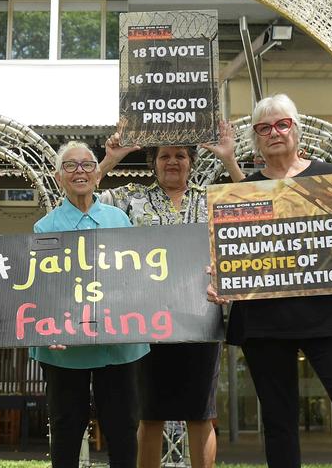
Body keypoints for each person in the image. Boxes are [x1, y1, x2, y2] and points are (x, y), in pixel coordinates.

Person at [207, 94, 332, 468]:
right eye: (264, 128)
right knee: (278, 421)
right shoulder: (245, 191)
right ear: (256, 139)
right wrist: (223, 279)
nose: (274, 132)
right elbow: (235, 252)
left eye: (282, 124)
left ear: (296, 129)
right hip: (265, 323)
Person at [97, 121, 243, 468]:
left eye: (180, 155)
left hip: (201, 318)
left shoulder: (212, 199)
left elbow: (259, 205)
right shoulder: (130, 199)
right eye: (165, 156)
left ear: (191, 162)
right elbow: (81, 198)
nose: (172, 161)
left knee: (200, 414)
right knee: (149, 414)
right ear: (154, 163)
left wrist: (230, 160)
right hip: (147, 321)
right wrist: (109, 161)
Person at [33, 141, 148, 468]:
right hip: (64, 347)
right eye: (70, 166)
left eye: (86, 165)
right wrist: (46, 324)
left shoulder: (120, 220)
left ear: (98, 173)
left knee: (123, 426)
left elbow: (136, 276)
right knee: (66, 426)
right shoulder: (45, 228)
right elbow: (41, 289)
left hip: (119, 342)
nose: (79, 171)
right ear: (59, 177)